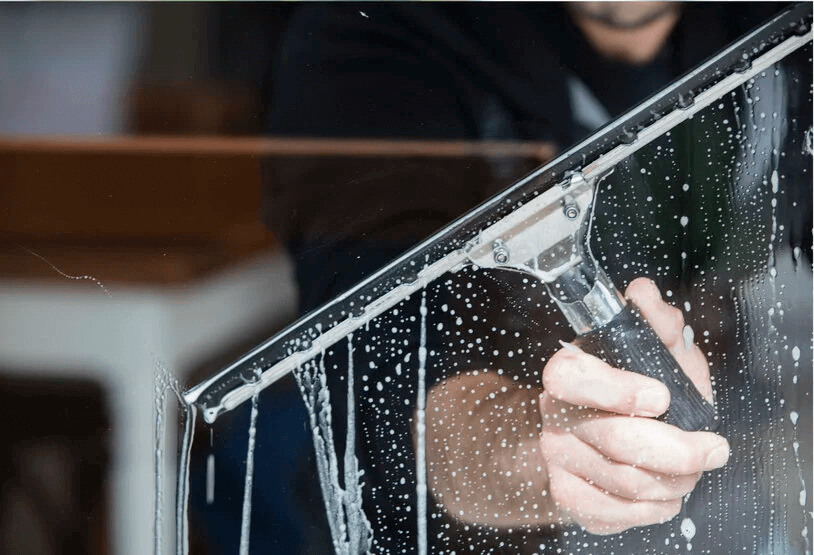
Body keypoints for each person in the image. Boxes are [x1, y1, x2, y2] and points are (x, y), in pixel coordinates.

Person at [257, 2, 798, 553]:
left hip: (736, 490)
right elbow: (386, 369)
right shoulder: (376, 32)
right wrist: (552, 449)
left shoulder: (780, 28)